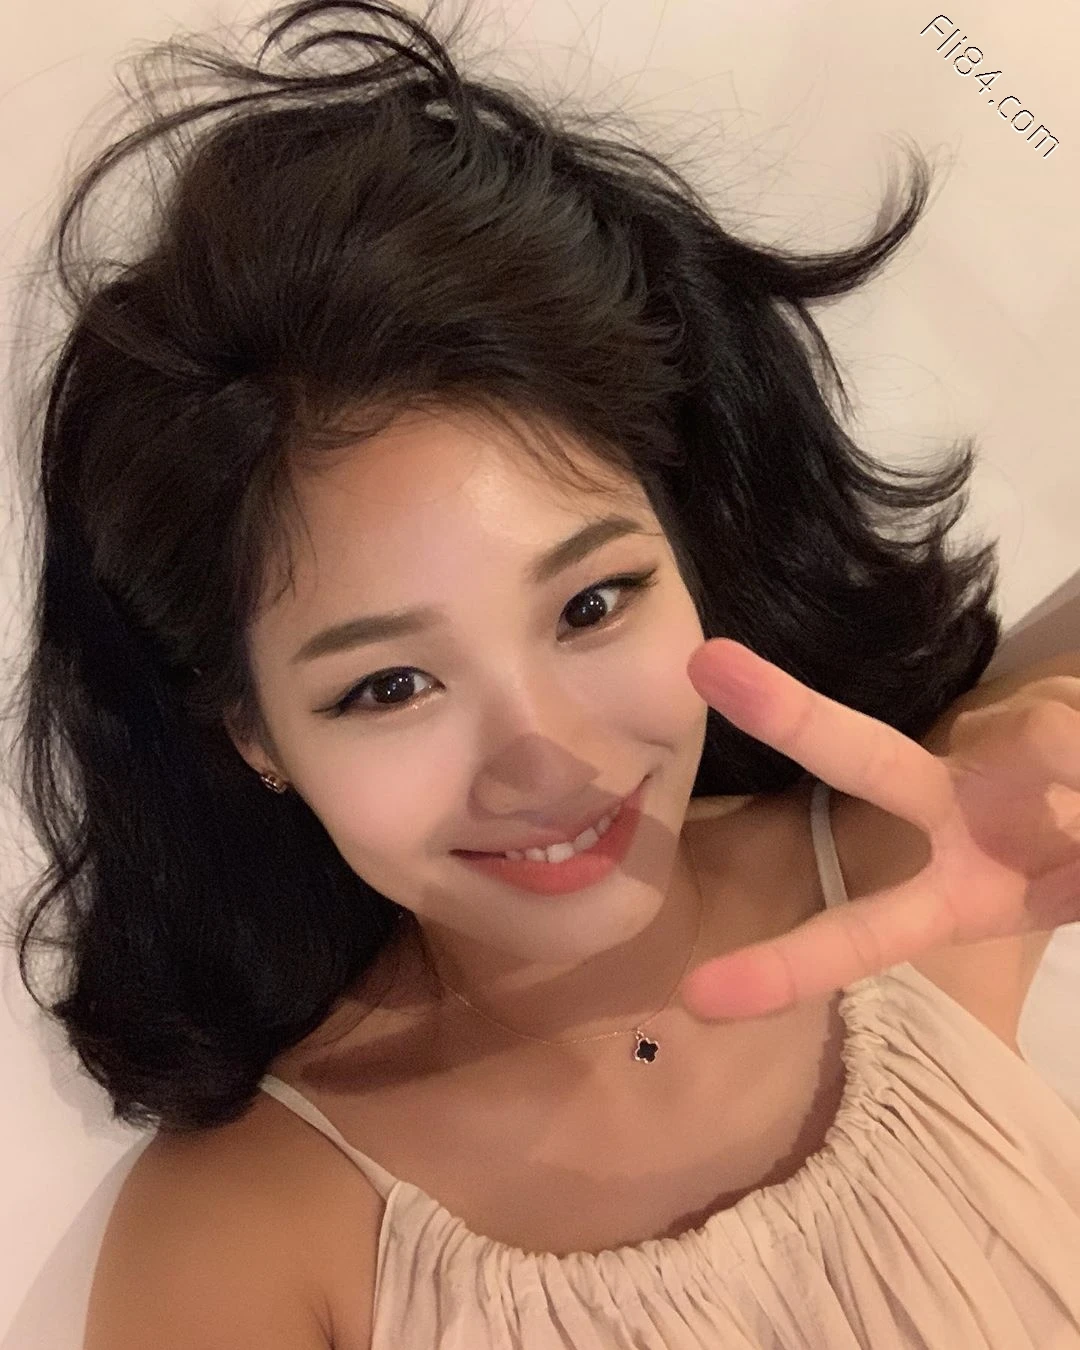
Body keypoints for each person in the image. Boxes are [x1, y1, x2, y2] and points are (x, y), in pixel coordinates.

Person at [5, 2, 1080, 1346]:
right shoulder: (246, 1236)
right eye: (388, 686)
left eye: (591, 602)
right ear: (255, 733)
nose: (545, 759)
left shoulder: (924, 856)